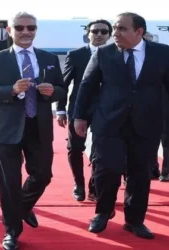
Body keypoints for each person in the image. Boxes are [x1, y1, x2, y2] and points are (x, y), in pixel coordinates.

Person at [73, 12, 169, 239]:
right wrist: (80, 116)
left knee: (140, 173)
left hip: (146, 123)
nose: (114, 33)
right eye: (114, 28)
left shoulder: (162, 53)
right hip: (108, 122)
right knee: (107, 170)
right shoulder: (103, 53)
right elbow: (86, 86)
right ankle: (103, 212)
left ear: (139, 32)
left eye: (121, 29)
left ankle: (134, 220)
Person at [0, 12, 65, 250]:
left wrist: (52, 92)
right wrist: (10, 90)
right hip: (7, 129)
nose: (26, 32)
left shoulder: (49, 58)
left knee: (43, 175)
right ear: (9, 30)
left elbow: (62, 90)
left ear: (36, 30)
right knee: (9, 182)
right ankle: (11, 231)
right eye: (20, 27)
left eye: (31, 28)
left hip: (39, 126)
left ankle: (22, 208)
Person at [56, 19, 112, 202]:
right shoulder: (76, 55)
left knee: (101, 150)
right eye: (95, 31)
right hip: (78, 109)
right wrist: (61, 110)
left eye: (104, 32)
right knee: (75, 148)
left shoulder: (116, 55)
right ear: (88, 34)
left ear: (109, 35)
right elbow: (64, 84)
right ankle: (78, 184)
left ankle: (94, 186)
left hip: (105, 110)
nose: (99, 35)